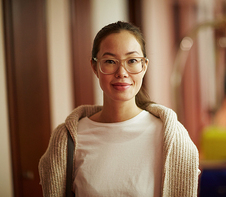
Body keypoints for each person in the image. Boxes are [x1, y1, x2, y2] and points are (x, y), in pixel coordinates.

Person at [39, 21, 200, 197]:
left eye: (132, 60)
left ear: (144, 66)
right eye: (110, 61)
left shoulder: (170, 137)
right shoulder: (69, 138)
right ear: (95, 67)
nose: (122, 72)